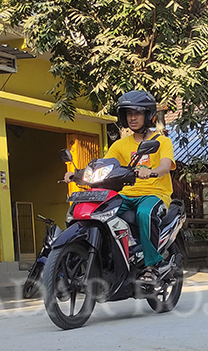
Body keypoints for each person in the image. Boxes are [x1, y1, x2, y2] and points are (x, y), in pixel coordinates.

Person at [67, 89, 175, 279]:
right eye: (129, 114)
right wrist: (78, 174)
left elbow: (166, 165)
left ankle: (152, 266)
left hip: (154, 194)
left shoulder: (162, 141)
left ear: (148, 115)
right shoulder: (119, 145)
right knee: (98, 211)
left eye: (137, 113)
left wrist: (152, 171)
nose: (132, 118)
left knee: (145, 214)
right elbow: (103, 165)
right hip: (125, 195)